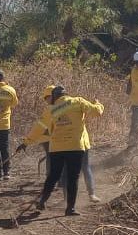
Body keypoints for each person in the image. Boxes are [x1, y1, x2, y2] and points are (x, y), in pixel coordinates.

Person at [34, 86, 104, 216]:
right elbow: (97, 112)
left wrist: (26, 142)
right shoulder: (78, 101)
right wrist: (98, 104)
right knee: (73, 178)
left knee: (53, 176)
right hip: (75, 147)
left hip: (56, 148)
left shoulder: (51, 109)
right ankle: (70, 209)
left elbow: (40, 128)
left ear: (55, 97)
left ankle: (42, 201)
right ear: (66, 94)